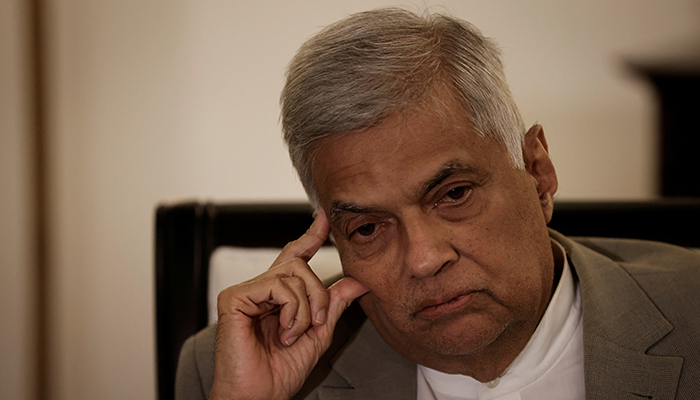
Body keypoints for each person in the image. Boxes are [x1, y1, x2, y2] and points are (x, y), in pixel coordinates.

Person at [176, 8, 700, 400]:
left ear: (538, 174)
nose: (423, 259)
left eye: (453, 195)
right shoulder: (228, 369)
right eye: (367, 228)